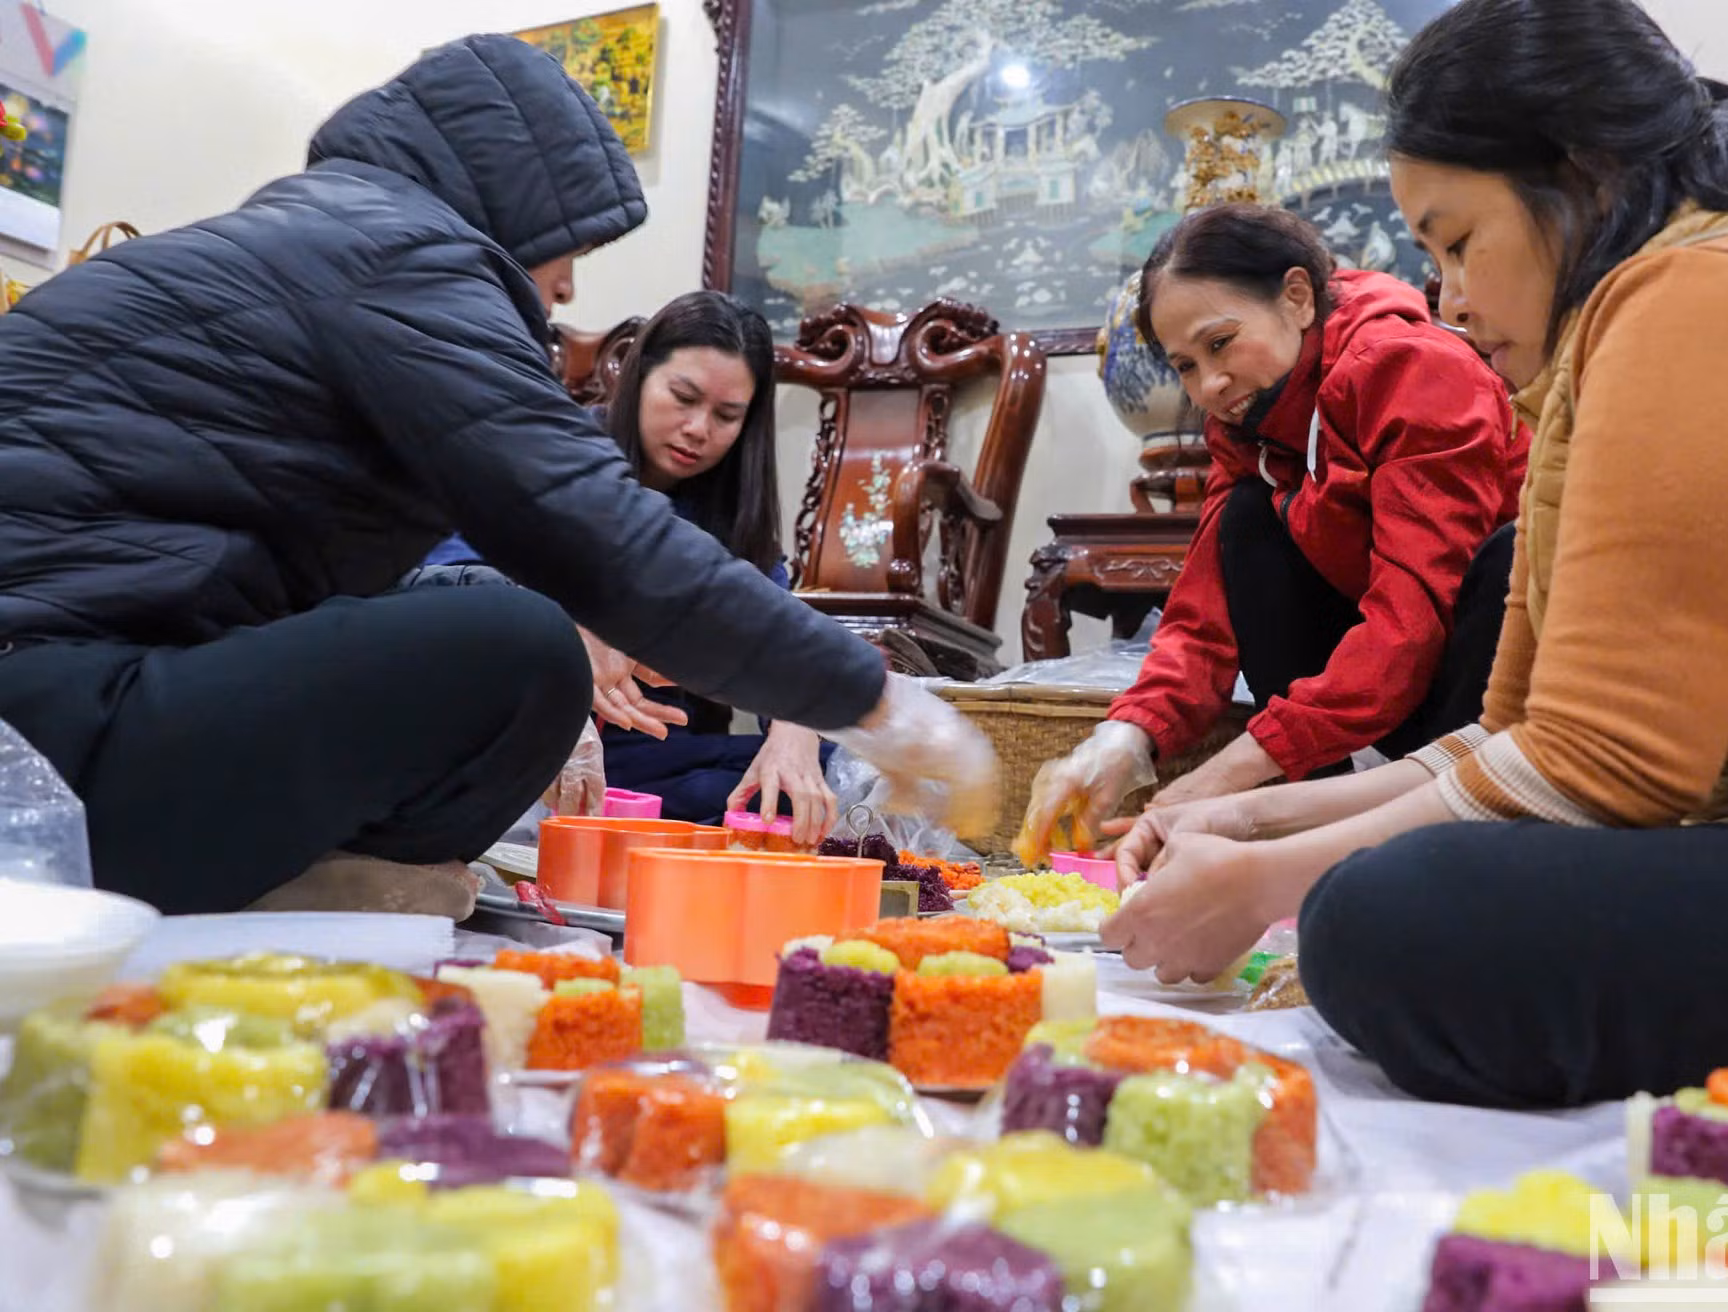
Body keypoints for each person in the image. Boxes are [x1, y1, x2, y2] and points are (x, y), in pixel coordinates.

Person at [1102, 0, 1728, 1108]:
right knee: (1384, 891)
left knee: (1391, 918)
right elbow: (1521, 733)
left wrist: (1268, 879)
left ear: (1579, 173)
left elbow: (1600, 762)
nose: (1453, 298)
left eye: (1460, 241)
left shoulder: (1720, 292)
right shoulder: (1616, 335)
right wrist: (1250, 815)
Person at [0, 35, 994, 919]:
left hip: (52, 710)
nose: (566, 290)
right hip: (43, 740)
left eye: (728, 415)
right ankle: (265, 880)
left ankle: (274, 871)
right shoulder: (400, 252)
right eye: (573, 253)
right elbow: (595, 536)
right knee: (520, 651)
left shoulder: (319, 236)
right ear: (522, 200)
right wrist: (877, 701)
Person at [1015, 204, 1524, 860]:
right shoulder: (1249, 423)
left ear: (1296, 297)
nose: (1209, 386)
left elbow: (1410, 627)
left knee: (1507, 561)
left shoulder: (1412, 368)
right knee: (1248, 527)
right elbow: (1202, 619)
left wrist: (1230, 775)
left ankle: (1429, 846)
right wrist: (1124, 741)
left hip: (1482, 690)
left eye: (1220, 343)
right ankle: (1315, 825)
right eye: (1185, 366)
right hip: (1388, 682)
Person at [421, 291, 839, 840]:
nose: (697, 428)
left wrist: (794, 732)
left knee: (814, 769)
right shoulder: (549, 452)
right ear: (639, 375)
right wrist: (561, 634)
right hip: (518, 726)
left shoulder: (734, 515)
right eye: (683, 396)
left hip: (650, 749)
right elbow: (442, 583)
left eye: (726, 415)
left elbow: (782, 641)